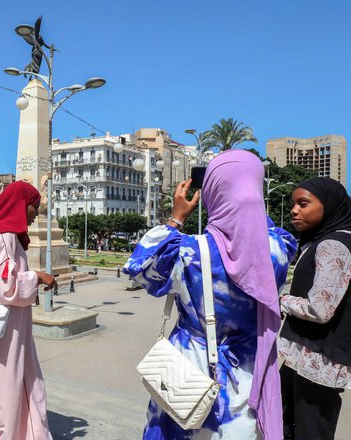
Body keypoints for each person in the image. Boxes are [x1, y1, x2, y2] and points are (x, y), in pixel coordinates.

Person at [124, 150, 297, 440]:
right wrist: (249, 200)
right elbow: (260, 227)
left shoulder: (188, 252)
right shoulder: (278, 249)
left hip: (187, 378)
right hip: (247, 378)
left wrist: (176, 219)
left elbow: (142, 270)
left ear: (213, 194)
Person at [279, 177, 351, 440]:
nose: (295, 210)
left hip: (319, 362)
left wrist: (280, 301)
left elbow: (321, 310)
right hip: (310, 358)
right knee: (288, 425)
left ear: (328, 206)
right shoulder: (329, 241)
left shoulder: (333, 246)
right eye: (294, 203)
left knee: (310, 432)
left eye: (303, 203)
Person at [0, 180, 57, 440]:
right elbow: (4, 286)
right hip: (3, 337)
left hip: (13, 331)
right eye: (35, 206)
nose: (37, 213)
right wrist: (37, 276)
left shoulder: (6, 236)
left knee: (19, 385)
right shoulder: (5, 236)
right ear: (21, 205)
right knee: (2, 392)